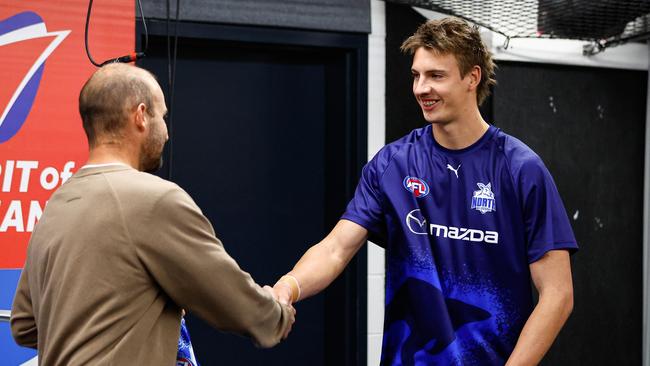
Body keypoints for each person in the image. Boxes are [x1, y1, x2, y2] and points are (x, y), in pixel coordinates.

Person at [273, 17, 577, 365]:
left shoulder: (520, 169)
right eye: (417, 75)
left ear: (471, 78)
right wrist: (287, 287)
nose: (420, 88)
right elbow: (335, 249)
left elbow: (558, 294)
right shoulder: (393, 164)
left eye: (436, 76)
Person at [11, 63, 294, 365]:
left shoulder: (57, 204)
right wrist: (278, 312)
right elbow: (243, 308)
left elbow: (25, 324)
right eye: (163, 116)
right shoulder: (155, 200)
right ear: (141, 116)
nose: (168, 132)